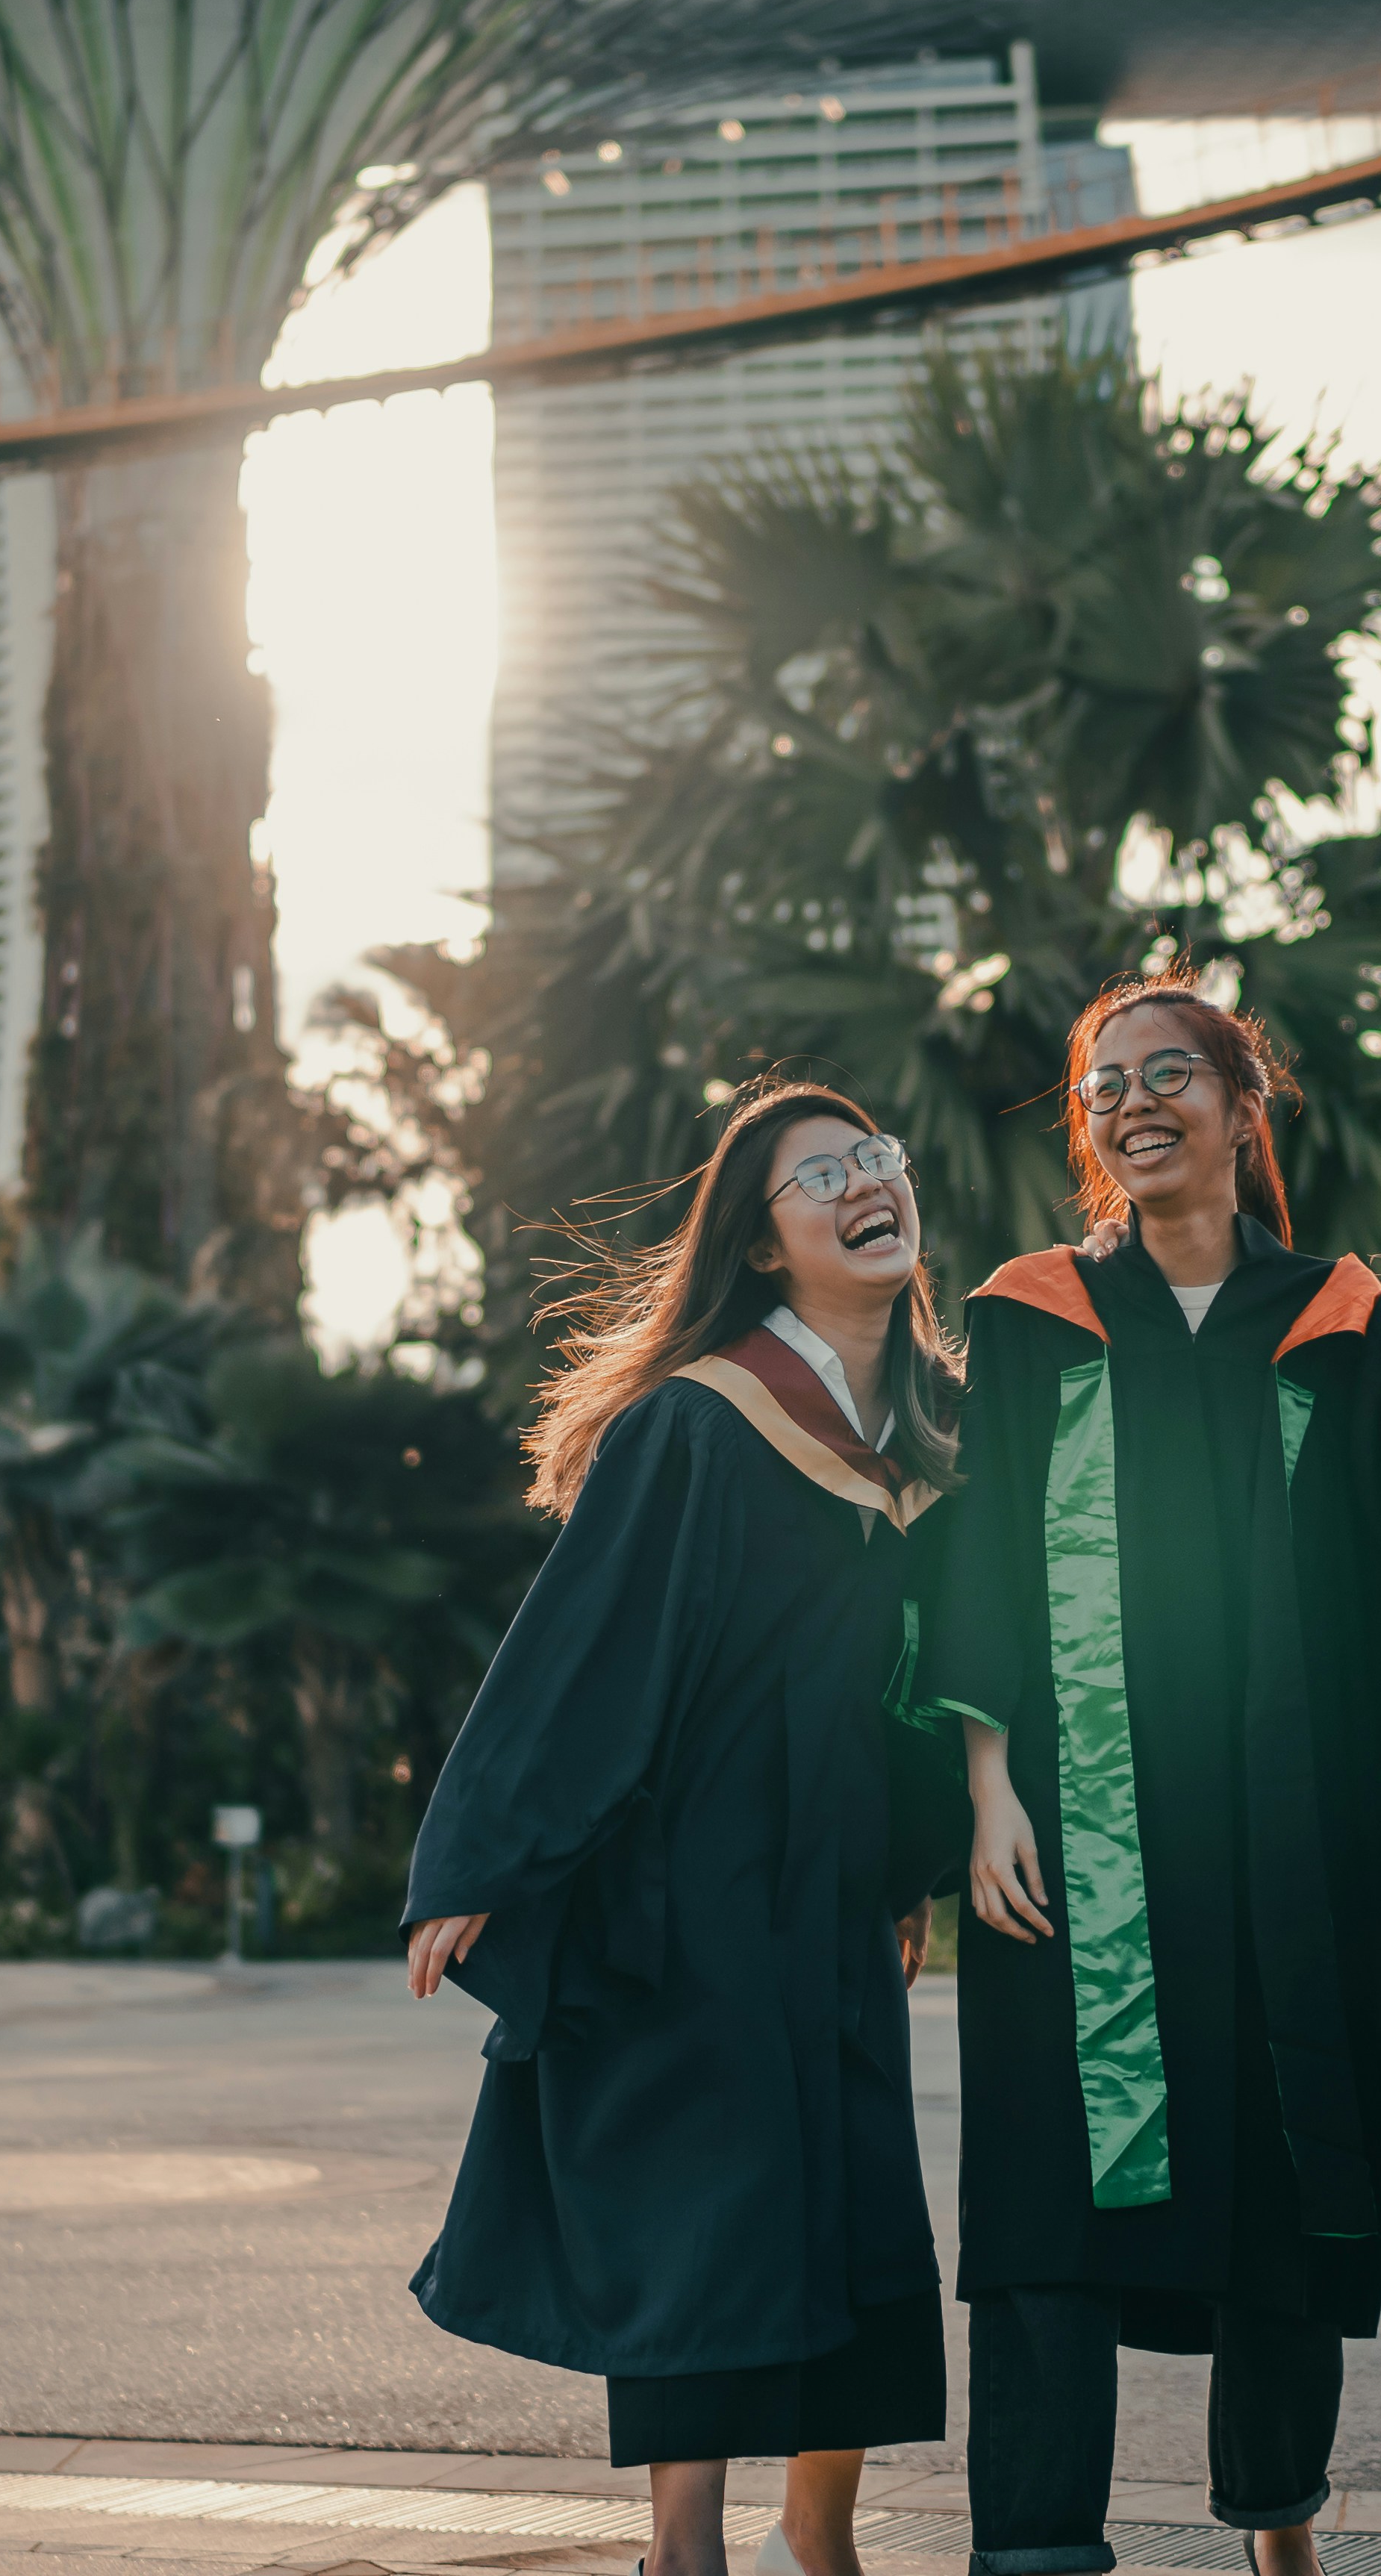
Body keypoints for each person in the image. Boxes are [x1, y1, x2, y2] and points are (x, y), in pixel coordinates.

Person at [404, 1081, 964, 2576]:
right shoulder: (701, 1420)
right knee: (706, 2210)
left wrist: (906, 1859)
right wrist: (484, 1857)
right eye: (821, 1174)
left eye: (876, 1160)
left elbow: (915, 1687)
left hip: (833, 1890)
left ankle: (821, 2539)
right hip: (697, 1886)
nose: (865, 1182)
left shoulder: (916, 1438)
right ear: (766, 1244)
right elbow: (586, 1642)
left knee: (844, 2205)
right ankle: (686, 2546)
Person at [917, 974, 1381, 2576]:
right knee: (1047, 2180)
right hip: (1069, 1819)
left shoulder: (1350, 1324)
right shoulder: (1029, 1311)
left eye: (1169, 1072)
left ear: (1242, 1100)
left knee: (1284, 2150)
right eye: (1104, 1083)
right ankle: (1037, 2546)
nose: (1134, 1101)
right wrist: (988, 1787)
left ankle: (1280, 2525)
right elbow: (981, 1550)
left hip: (1284, 1820)